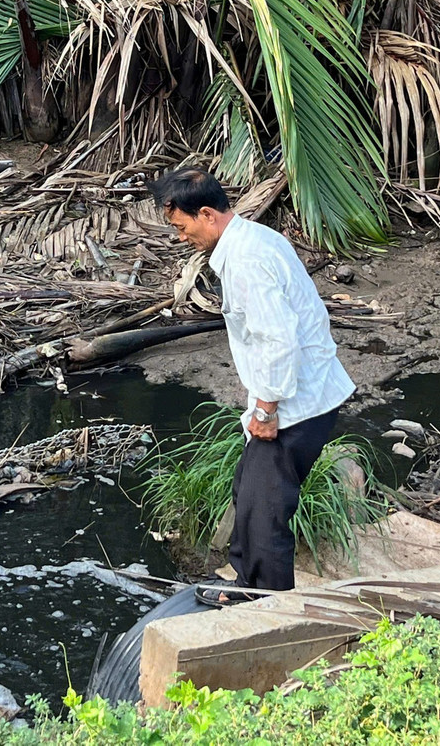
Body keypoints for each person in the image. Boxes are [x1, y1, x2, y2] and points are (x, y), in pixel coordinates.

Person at [149, 166, 354, 605]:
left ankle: (267, 607)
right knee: (249, 486)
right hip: (304, 392)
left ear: (206, 214)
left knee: (266, 513)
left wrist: (265, 410)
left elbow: (277, 338)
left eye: (182, 227)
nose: (181, 237)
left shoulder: (245, 261)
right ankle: (245, 583)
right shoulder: (251, 239)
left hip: (298, 402)